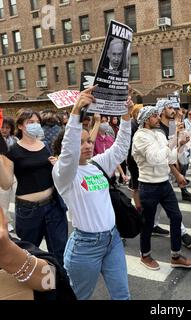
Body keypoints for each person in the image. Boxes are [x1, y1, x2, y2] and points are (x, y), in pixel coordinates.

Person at [52, 87, 132, 300]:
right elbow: (69, 153)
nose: (87, 146)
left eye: (89, 141)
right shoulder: (64, 173)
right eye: (81, 142)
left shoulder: (96, 165)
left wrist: (125, 115)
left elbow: (121, 149)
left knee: (122, 296)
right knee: (79, 297)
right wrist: (76, 112)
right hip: (85, 248)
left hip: (112, 240)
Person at [132, 105, 191, 271]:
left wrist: (180, 145)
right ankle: (145, 255)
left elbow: (170, 156)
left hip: (164, 184)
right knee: (147, 223)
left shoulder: (159, 134)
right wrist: (174, 142)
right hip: (148, 185)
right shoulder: (140, 137)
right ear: (147, 120)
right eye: (154, 115)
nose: (157, 117)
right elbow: (155, 158)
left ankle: (176, 255)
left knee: (176, 217)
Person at [0, 109, 68, 267]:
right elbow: (6, 183)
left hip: (53, 207)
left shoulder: (45, 145)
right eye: (31, 122)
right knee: (29, 254)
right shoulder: (12, 151)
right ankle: (34, 289)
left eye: (37, 122)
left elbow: (55, 171)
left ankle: (59, 287)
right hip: (28, 211)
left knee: (59, 251)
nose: (35, 125)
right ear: (20, 126)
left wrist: (56, 163)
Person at [0, 208, 76, 300]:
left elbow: (52, 280)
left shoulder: (5, 244)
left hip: (52, 206)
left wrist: (8, 255)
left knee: (59, 257)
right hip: (27, 208)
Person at [152, 99, 191, 248]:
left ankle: (152, 224)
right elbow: (163, 155)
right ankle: (182, 233)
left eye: (173, 107)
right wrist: (177, 173)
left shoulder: (172, 126)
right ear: (161, 111)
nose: (174, 110)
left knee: (159, 201)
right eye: (169, 107)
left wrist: (181, 143)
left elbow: (173, 153)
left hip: (166, 171)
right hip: (157, 173)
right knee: (172, 208)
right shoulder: (157, 130)